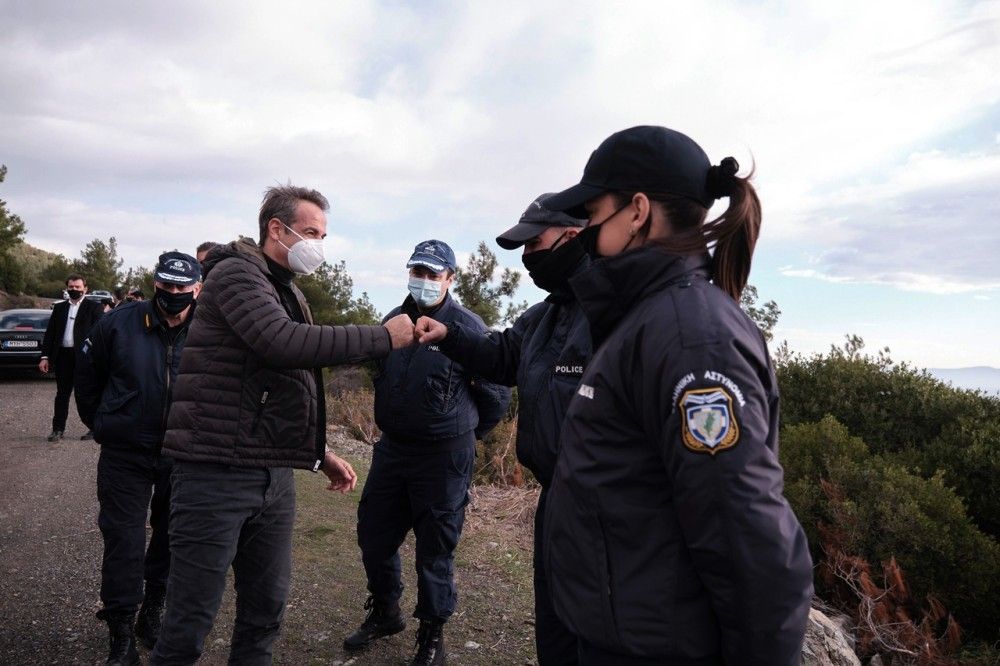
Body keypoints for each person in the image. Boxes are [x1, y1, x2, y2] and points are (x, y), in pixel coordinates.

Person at [538, 126, 814, 665]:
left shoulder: (692, 338)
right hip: (624, 632)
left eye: (594, 215)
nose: (588, 232)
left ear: (637, 211)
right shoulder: (646, 319)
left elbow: (748, 537)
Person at [149, 184, 415, 665]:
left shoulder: (284, 286)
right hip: (214, 473)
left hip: (271, 473)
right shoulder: (235, 275)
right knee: (190, 619)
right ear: (277, 228)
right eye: (311, 232)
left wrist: (315, 452)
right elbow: (284, 343)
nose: (319, 243)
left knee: (266, 608)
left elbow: (289, 381)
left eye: (323, 234)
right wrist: (382, 337)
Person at [414, 195, 590, 665]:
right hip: (555, 500)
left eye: (535, 242)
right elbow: (503, 356)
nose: (528, 256)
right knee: (554, 628)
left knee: (595, 632)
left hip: (605, 507)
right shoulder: (546, 314)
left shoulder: (614, 316)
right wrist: (450, 336)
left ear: (572, 237)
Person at [344, 240, 511, 666]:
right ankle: (386, 612)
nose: (423, 280)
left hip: (444, 458)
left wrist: (460, 433)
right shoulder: (392, 321)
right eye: (417, 271)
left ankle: (432, 632)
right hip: (393, 450)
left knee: (435, 548)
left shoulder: (468, 327)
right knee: (374, 536)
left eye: (433, 274)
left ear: (450, 279)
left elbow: (495, 397)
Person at [75, 251, 203, 665]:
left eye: (182, 287)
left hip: (181, 455)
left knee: (171, 538)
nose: (173, 294)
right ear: (155, 284)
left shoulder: (210, 330)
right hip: (125, 454)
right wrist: (104, 423)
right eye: (166, 285)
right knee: (123, 540)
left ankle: (154, 609)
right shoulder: (119, 322)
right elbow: (88, 378)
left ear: (197, 288)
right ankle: (121, 631)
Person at [38, 273, 104, 441]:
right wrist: (45, 357)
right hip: (63, 357)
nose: (74, 290)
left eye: (78, 287)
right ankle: (57, 429)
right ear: (67, 288)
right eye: (71, 287)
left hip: (84, 357)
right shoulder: (59, 308)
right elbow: (50, 334)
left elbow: (100, 332)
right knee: (62, 394)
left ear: (85, 289)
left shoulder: (94, 307)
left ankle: (94, 428)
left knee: (85, 394)